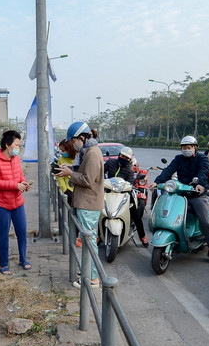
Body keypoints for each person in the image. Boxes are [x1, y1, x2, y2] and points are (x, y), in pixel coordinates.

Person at [152, 136, 209, 265]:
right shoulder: (179, 159)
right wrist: (156, 182)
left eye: (189, 147)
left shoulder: (202, 158)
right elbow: (168, 170)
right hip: (181, 194)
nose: (186, 150)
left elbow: (203, 171)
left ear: (195, 147)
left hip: (196, 195)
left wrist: (199, 184)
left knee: (205, 222)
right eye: (184, 147)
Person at [55, 121, 104, 287]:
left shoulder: (92, 153)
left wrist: (70, 173)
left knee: (89, 243)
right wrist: (70, 168)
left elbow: (88, 180)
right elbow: (84, 172)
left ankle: (93, 279)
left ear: (81, 137)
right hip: (86, 202)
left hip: (88, 203)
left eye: (73, 140)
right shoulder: (88, 151)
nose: (73, 144)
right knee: (87, 241)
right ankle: (88, 272)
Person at [0, 130, 31, 275]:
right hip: (2, 205)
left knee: (22, 232)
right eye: (16, 145)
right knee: (3, 235)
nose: (18, 148)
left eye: (19, 145)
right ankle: (4, 264)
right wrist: (15, 185)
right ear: (7, 144)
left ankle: (23, 259)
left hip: (18, 203)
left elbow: (20, 176)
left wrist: (24, 183)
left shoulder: (16, 159)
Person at [104, 146, 148, 246]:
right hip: (109, 191)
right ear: (119, 155)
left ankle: (142, 236)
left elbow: (130, 183)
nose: (124, 158)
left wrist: (127, 187)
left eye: (126, 158)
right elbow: (101, 173)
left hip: (124, 193)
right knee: (100, 210)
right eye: (122, 156)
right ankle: (99, 235)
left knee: (135, 214)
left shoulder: (129, 170)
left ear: (129, 159)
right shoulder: (110, 163)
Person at [53, 139, 75, 205]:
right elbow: (59, 176)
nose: (62, 153)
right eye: (61, 151)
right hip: (68, 191)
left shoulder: (78, 157)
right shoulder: (61, 159)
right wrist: (65, 190)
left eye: (63, 150)